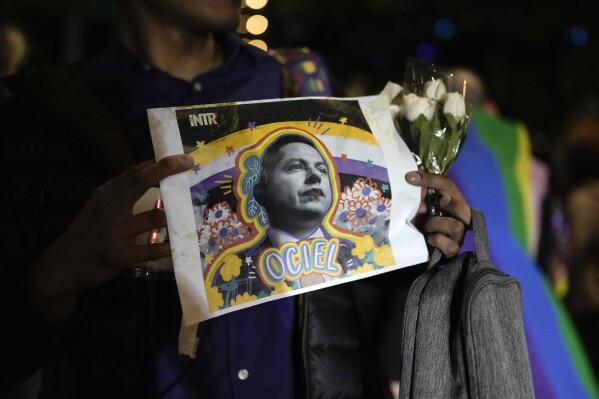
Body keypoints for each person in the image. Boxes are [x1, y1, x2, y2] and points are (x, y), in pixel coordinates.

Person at [0, 0, 472, 397]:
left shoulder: (304, 88)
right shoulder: (39, 122)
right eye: (294, 168)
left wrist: (420, 238)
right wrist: (55, 276)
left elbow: (347, 280)